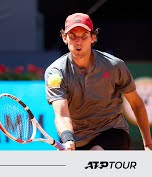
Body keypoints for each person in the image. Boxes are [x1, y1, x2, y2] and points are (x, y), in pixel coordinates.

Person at [44, 12, 152, 150]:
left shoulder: (114, 65)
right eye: (73, 36)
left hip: (113, 133)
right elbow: (62, 114)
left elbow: (136, 104)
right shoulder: (56, 72)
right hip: (76, 139)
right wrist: (68, 139)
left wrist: (148, 144)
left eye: (84, 35)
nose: (78, 41)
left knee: (95, 154)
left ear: (93, 37)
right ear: (65, 38)